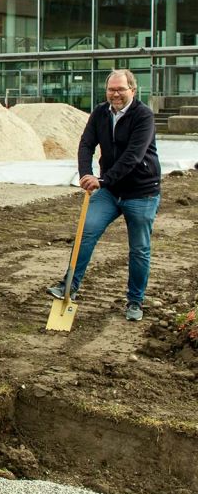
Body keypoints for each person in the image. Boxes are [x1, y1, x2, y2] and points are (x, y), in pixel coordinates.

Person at [47, 69, 161, 321]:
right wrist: (86, 174)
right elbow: (86, 143)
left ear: (133, 89)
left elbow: (134, 156)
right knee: (86, 233)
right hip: (109, 191)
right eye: (111, 89)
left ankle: (135, 302)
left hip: (141, 192)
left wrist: (101, 179)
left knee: (139, 248)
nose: (116, 94)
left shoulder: (143, 115)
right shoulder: (100, 112)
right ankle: (69, 287)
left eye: (121, 89)